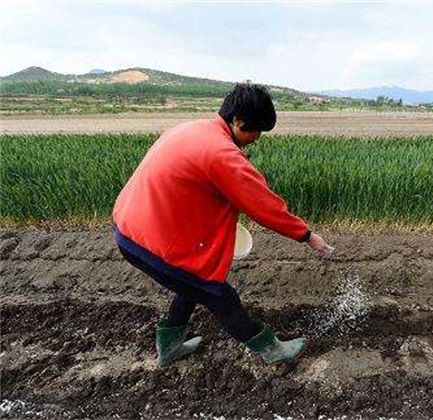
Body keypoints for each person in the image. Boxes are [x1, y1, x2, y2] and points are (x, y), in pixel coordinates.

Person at [112, 84, 334, 367]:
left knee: (192, 283)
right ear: (238, 120)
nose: (256, 138)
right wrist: (306, 235)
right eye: (255, 131)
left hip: (129, 229)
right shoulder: (222, 154)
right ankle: (272, 350)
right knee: (219, 295)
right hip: (150, 242)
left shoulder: (190, 129)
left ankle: (169, 346)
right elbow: (263, 205)